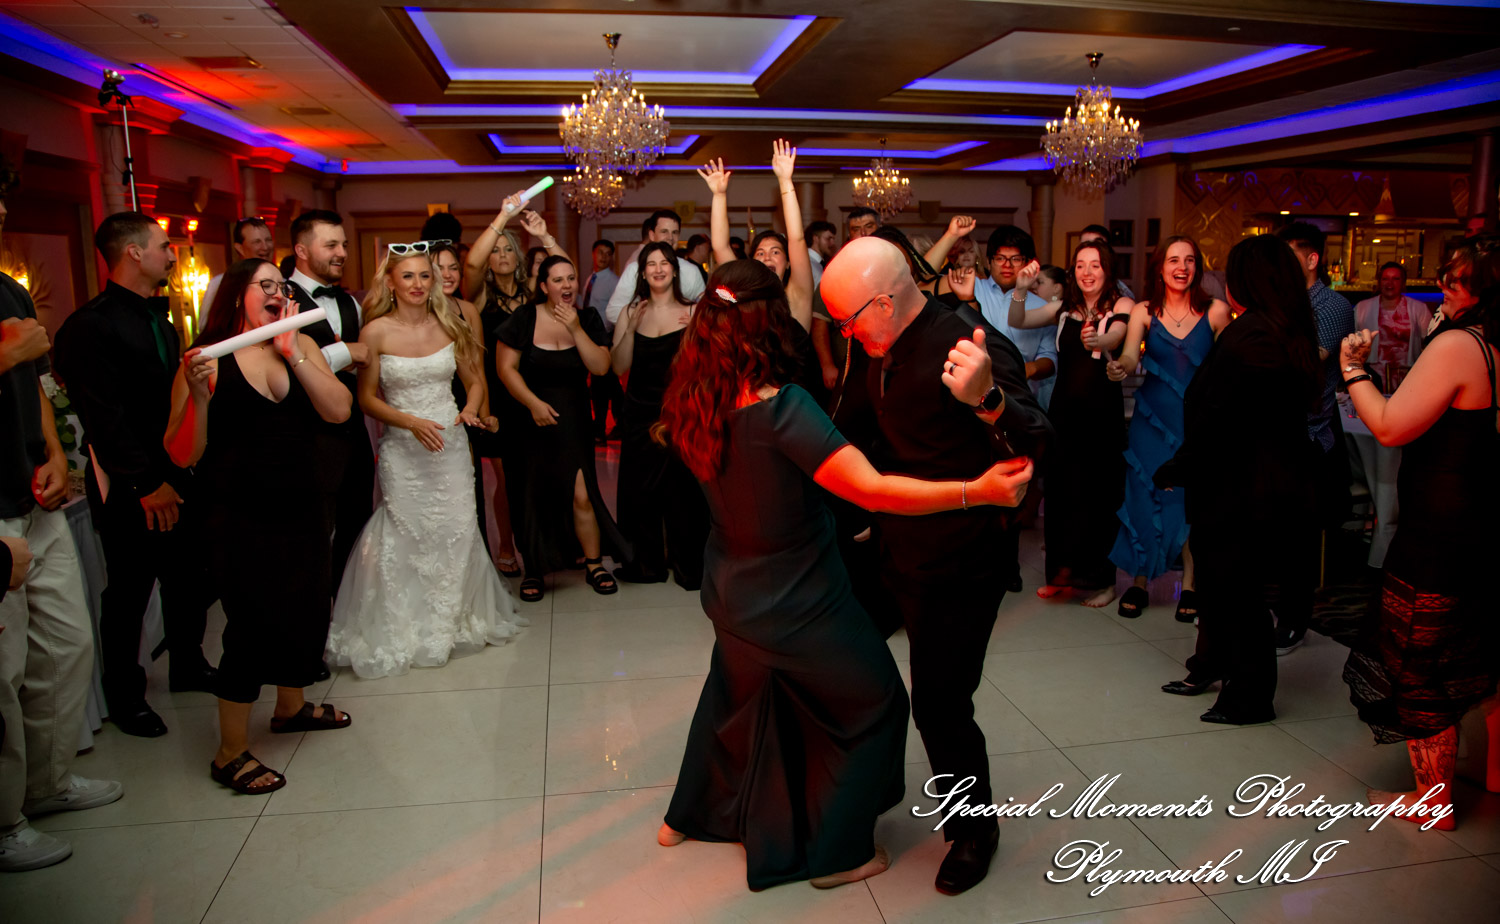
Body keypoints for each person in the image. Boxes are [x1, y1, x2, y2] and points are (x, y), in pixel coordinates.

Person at [655, 258, 1034, 892]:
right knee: (878, 704)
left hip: (729, 587)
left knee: (735, 693)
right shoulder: (783, 407)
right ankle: (838, 853)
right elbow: (875, 489)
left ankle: (687, 817)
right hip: (794, 595)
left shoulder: (693, 391)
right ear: (769, 321)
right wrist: (979, 491)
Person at [822, 236, 1050, 895]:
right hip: (894, 545)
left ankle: (974, 828)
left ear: (885, 301)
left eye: (848, 319)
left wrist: (988, 401)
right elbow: (853, 428)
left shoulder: (968, 343)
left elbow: (1040, 442)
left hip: (960, 561)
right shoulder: (878, 346)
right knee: (835, 654)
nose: (843, 331)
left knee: (942, 705)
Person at [165, 258, 355, 795]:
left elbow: (339, 410)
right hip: (237, 513)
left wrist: (296, 354)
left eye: (282, 285)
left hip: (302, 503)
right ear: (237, 296)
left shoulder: (300, 346)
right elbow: (183, 454)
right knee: (250, 625)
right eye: (264, 285)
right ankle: (229, 752)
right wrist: (199, 398)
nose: (277, 292)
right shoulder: (207, 359)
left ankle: (290, 708)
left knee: (307, 605)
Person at [1340, 238, 1500, 829]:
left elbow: (1388, 425)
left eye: (1458, 279)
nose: (1446, 285)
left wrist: (1352, 368)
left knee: (1416, 658)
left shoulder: (1462, 344)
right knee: (1468, 651)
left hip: (1441, 530)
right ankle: (1472, 783)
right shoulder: (1491, 344)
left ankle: (1434, 800)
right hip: (1478, 522)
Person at [53, 211, 216, 738]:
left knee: (185, 576)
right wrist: (145, 485)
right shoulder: (90, 326)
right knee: (129, 590)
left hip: (176, 471)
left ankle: (188, 665)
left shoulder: (159, 318)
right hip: (131, 484)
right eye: (165, 245)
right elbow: (103, 417)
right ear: (133, 253)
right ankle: (126, 694)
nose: (173, 255)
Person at [325, 243, 524, 677]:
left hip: (449, 444)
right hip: (403, 445)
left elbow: (474, 380)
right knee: (407, 527)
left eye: (424, 276)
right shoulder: (374, 332)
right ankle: (406, 622)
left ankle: (454, 619)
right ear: (391, 283)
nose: (418, 284)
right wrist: (409, 422)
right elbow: (365, 400)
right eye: (408, 276)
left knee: (457, 527)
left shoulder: (450, 324)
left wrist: (471, 409)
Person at [1154, 234, 1320, 725]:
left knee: (1237, 591)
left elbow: (1226, 417)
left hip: (1241, 487)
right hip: (1241, 481)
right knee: (1220, 583)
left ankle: (1249, 696)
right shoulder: (1275, 327)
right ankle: (1210, 665)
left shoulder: (1261, 335)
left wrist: (1179, 465)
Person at [0, 209, 121, 870]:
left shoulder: (9, 290)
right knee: (3, 673)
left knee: (69, 644)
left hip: (37, 489)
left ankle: (45, 785)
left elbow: (40, 382)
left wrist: (51, 448)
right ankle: (4, 819)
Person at [1106, 237, 1232, 620]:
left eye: (1190, 260)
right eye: (1174, 260)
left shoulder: (1216, 311)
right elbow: (1130, 355)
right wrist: (1120, 367)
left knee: (1189, 500)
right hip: (1150, 420)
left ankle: (1190, 583)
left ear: (1198, 268)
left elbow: (1231, 366)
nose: (1182, 267)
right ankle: (1141, 580)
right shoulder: (1145, 311)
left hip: (1197, 422)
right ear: (1159, 267)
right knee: (1145, 495)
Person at [497, 254, 629, 602]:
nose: (567, 285)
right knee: (533, 495)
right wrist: (533, 405)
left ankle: (594, 564)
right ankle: (535, 570)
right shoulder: (524, 318)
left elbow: (601, 367)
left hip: (573, 419)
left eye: (571, 278)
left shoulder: (587, 318)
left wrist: (574, 328)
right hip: (530, 418)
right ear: (543, 286)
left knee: (583, 494)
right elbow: (506, 369)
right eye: (558, 279)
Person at [1009, 240, 1134, 607]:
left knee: (1100, 498)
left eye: (1095, 265)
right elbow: (1018, 319)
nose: (1087, 272)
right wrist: (1019, 290)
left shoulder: (1121, 305)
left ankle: (1103, 582)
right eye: (1080, 265)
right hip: (1064, 415)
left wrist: (1100, 338)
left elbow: (1117, 335)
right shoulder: (1065, 309)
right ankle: (1062, 576)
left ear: (1107, 269)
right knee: (1063, 496)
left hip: (1101, 417)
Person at [947, 226, 1060, 595]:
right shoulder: (972, 289)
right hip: (970, 405)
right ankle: (975, 561)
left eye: (1016, 259)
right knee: (973, 481)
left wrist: (1020, 370)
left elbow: (1049, 359)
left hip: (1017, 408)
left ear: (1028, 263)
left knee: (1014, 485)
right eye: (1000, 258)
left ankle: (1008, 564)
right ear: (989, 260)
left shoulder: (1041, 305)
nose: (1007, 265)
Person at [463, 192, 559, 576]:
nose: (501, 255)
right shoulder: (478, 295)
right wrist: (502, 217)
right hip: (496, 395)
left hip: (531, 390)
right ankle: (507, 543)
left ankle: (542, 545)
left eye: (508, 249)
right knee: (506, 478)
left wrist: (545, 237)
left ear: (518, 256)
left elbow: (564, 272)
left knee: (537, 475)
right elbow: (470, 261)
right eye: (496, 249)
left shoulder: (532, 291)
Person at [284, 210, 374, 599]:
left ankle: (344, 613)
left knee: (355, 526)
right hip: (305, 437)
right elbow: (282, 363)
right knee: (311, 535)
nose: (341, 253)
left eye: (344, 245)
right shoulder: (279, 298)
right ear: (301, 250)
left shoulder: (349, 302)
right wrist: (343, 352)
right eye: (331, 245)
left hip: (352, 433)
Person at [1275, 221, 1355, 653]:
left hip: (1308, 434)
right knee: (1275, 532)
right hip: (1273, 431)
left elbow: (1310, 361)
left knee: (1299, 536)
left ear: (1311, 259)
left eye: (1289, 257)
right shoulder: (1279, 303)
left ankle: (1294, 620)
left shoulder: (1334, 306)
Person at [610, 242, 708, 588]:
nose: (658, 268)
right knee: (641, 490)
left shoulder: (694, 312)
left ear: (676, 269)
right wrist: (631, 329)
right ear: (642, 273)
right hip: (639, 410)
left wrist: (695, 334)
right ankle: (646, 563)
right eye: (650, 264)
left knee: (683, 491)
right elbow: (619, 366)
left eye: (665, 262)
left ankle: (688, 565)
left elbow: (704, 370)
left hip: (681, 410)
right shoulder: (630, 312)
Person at [431, 241, 506, 560]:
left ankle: (477, 565)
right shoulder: (417, 311)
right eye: (439, 268)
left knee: (468, 487)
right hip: (430, 400)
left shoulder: (468, 310)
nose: (448, 274)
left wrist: (484, 416)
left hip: (466, 403)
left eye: (453, 267)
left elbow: (477, 367)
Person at [606, 210, 706, 326]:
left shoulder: (691, 271)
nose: (670, 238)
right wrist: (645, 322)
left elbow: (704, 309)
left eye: (675, 232)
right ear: (652, 235)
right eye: (664, 231)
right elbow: (612, 312)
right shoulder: (635, 269)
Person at [1353, 262, 1432, 386]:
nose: (1390, 283)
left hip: (1409, 377)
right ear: (1379, 282)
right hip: (1372, 376)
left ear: (1403, 283)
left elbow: (1430, 342)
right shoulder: (1362, 307)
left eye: (1395, 279)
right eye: (1385, 279)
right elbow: (1354, 344)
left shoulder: (1419, 308)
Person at [582, 239, 624, 443]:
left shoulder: (613, 281)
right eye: (601, 253)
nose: (604, 257)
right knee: (610, 385)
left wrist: (607, 338)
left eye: (608, 254)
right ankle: (619, 423)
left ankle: (599, 429)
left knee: (601, 385)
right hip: (592, 336)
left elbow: (615, 311)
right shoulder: (592, 278)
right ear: (593, 254)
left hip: (604, 337)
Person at [202, 217, 274, 311]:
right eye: (257, 242)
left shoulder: (281, 282)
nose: (265, 247)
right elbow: (206, 324)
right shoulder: (221, 284)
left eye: (268, 240)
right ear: (240, 248)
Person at [1079, 224, 1135, 299]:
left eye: (1097, 245)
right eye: (1085, 244)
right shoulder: (1068, 282)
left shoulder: (1121, 292)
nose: (1089, 249)